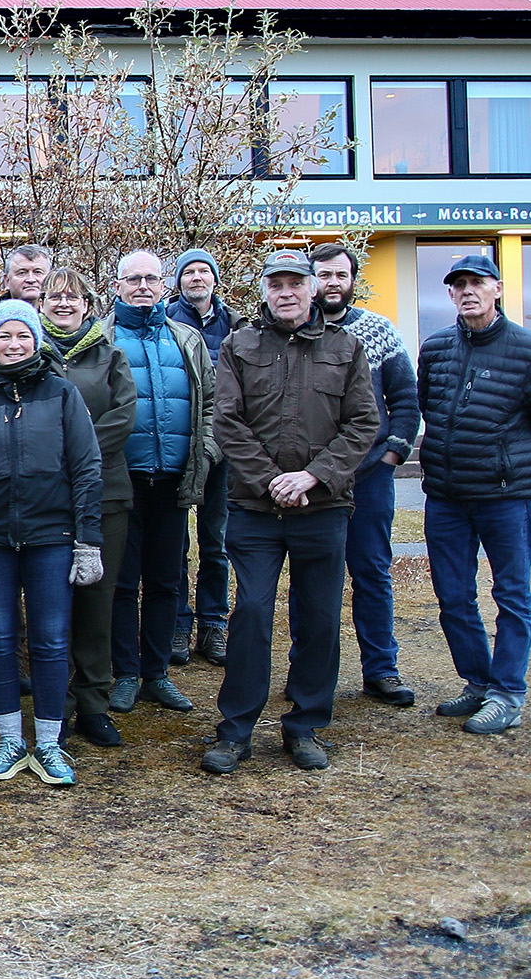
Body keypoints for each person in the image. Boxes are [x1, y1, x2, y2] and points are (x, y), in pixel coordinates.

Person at [203, 250, 378, 774]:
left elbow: (363, 423)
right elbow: (227, 421)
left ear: (312, 289)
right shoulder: (239, 345)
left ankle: (306, 727)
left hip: (323, 508)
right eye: (275, 284)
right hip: (255, 509)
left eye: (294, 283)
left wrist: (313, 476)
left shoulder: (346, 348)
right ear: (264, 291)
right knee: (252, 612)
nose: (286, 293)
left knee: (321, 618)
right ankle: (235, 730)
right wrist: (270, 481)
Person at [0, 302, 102, 789]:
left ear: (36, 341)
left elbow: (87, 468)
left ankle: (49, 742)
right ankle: (9, 737)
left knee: (51, 641)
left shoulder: (63, 394)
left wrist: (88, 540)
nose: (14, 344)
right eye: (4, 336)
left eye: (23, 336)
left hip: (52, 537)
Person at [417, 253, 531, 735]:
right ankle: (478, 682)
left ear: (497, 289)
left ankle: (508, 693)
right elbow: (429, 407)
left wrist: (518, 472)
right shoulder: (436, 348)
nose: (468, 292)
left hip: (504, 497)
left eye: (477, 283)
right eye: (458, 285)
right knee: (453, 595)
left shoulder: (530, 349)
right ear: (451, 294)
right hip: (445, 496)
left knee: (512, 595)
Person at [105, 249, 215, 718]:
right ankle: (126, 673)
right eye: (133, 280)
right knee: (122, 581)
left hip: (173, 479)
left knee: (168, 580)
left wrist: (206, 454)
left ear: (164, 286)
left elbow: (211, 403)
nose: (143, 286)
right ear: (118, 287)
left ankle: (158, 674)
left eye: (151, 278)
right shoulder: (102, 338)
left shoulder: (187, 338)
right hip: (120, 480)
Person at [311, 242, 422, 706]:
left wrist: (392, 455)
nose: (332, 283)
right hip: (313, 477)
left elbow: (406, 401)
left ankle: (382, 668)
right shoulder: (297, 333)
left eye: (340, 275)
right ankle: (312, 670)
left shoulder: (378, 330)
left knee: (372, 570)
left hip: (369, 477)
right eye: (324, 275)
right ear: (310, 279)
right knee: (316, 575)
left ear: (352, 279)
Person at [39, 268, 137, 749]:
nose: (62, 303)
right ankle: (55, 705)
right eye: (54, 296)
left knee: (97, 599)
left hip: (104, 492)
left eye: (71, 298)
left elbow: (124, 415)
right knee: (49, 603)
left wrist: (76, 450)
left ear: (87, 306)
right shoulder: (27, 353)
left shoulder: (111, 355)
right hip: (44, 497)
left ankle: (94, 703)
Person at [167, 248, 237, 665]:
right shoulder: (167, 323)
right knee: (176, 543)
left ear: (214, 279)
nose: (196, 278)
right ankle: (178, 623)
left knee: (216, 543)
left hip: (223, 447)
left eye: (203, 271)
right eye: (188, 272)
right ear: (178, 281)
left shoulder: (236, 325)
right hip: (179, 445)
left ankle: (214, 625)